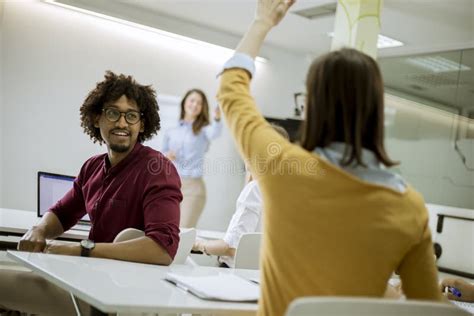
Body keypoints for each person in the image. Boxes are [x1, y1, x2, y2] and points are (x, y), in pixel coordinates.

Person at [216, 1, 442, 315]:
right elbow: (428, 308)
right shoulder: (409, 206)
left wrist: (262, 23)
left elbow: (231, 91)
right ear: (376, 113)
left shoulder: (283, 167)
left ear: (312, 107)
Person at [0, 71, 182, 315]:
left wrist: (83, 249)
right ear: (97, 118)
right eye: (113, 113)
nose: (122, 123)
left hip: (116, 299)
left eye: (131, 116)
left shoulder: (158, 169)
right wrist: (39, 230)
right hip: (91, 282)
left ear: (142, 124)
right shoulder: (92, 167)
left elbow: (162, 249)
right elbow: (62, 213)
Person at [192, 124, 289, 268]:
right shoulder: (285, 191)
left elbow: (231, 248)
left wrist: (199, 245)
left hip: (234, 274)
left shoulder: (255, 190)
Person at [162, 89, 222, 228]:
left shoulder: (204, 130)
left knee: (182, 232)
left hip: (193, 189)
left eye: (199, 103)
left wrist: (217, 119)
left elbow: (215, 133)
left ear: (202, 108)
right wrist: (167, 155)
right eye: (192, 100)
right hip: (171, 186)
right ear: (184, 103)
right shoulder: (172, 130)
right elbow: (162, 152)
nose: (195, 105)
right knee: (167, 230)